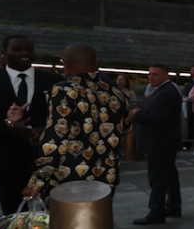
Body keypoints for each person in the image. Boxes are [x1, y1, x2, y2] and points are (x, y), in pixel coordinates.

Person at [24, 44, 130, 198]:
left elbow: (55, 140)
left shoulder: (64, 90)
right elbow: (126, 128)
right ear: (97, 64)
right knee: (97, 221)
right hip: (106, 179)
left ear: (65, 66)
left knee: (67, 222)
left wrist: (37, 181)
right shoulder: (117, 94)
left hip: (68, 179)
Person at [0, 35, 56, 215]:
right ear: (4, 53)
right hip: (8, 164)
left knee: (53, 220)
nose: (24, 53)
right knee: (13, 219)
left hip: (47, 163)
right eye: (17, 49)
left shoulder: (53, 81)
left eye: (28, 49)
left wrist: (44, 131)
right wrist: (9, 125)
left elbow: (66, 121)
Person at [130, 64, 182, 225]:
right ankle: (172, 206)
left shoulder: (167, 93)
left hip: (160, 143)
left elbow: (158, 117)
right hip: (161, 142)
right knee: (168, 176)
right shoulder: (161, 91)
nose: (151, 77)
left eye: (155, 74)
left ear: (166, 76)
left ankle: (156, 212)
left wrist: (137, 114)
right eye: (150, 74)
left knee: (157, 177)